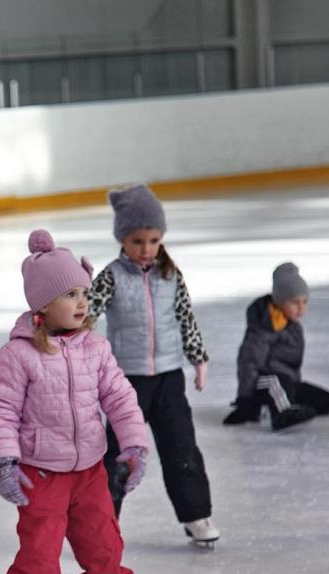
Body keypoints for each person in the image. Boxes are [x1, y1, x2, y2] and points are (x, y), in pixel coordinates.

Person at [0, 229, 148, 574]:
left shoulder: (95, 347)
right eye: (69, 295)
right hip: (42, 475)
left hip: (90, 471)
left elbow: (119, 396)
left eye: (84, 293)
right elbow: (0, 412)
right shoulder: (17, 356)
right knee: (38, 556)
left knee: (105, 547)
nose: (81, 303)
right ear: (41, 305)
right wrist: (5, 461)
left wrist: (133, 443)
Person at [90, 184, 220, 548]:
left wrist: (198, 359)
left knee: (182, 447)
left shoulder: (171, 276)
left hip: (168, 377)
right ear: (122, 239)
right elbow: (87, 314)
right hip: (126, 382)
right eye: (137, 241)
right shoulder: (111, 276)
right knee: (117, 453)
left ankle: (196, 513)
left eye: (153, 240)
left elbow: (186, 318)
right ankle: (101, 523)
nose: (146, 249)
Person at [223, 262, 329, 430]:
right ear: (279, 301)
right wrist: (245, 399)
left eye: (304, 302)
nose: (301, 308)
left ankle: (284, 402)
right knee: (276, 381)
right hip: (261, 383)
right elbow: (249, 362)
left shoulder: (293, 325)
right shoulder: (264, 327)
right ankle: (282, 414)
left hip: (287, 382)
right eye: (294, 302)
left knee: (326, 401)